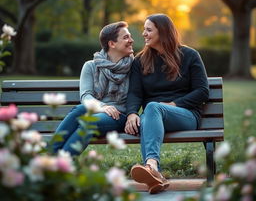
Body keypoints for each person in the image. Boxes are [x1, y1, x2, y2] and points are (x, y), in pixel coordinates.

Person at [124, 13, 209, 194]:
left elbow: (202, 91)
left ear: (162, 32)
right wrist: (131, 112)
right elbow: (134, 93)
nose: (144, 34)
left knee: (152, 107)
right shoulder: (140, 61)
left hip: (185, 114)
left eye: (148, 30)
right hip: (153, 117)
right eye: (144, 30)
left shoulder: (189, 55)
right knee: (149, 113)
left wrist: (175, 104)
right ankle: (155, 176)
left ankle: (152, 165)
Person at [52, 21, 134, 155]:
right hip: (96, 110)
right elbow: (86, 96)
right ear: (112, 44)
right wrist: (103, 106)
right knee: (81, 108)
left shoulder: (134, 67)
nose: (131, 40)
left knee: (89, 123)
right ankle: (50, 160)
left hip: (118, 116)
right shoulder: (90, 66)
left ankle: (62, 165)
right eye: (126, 37)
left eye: (130, 37)